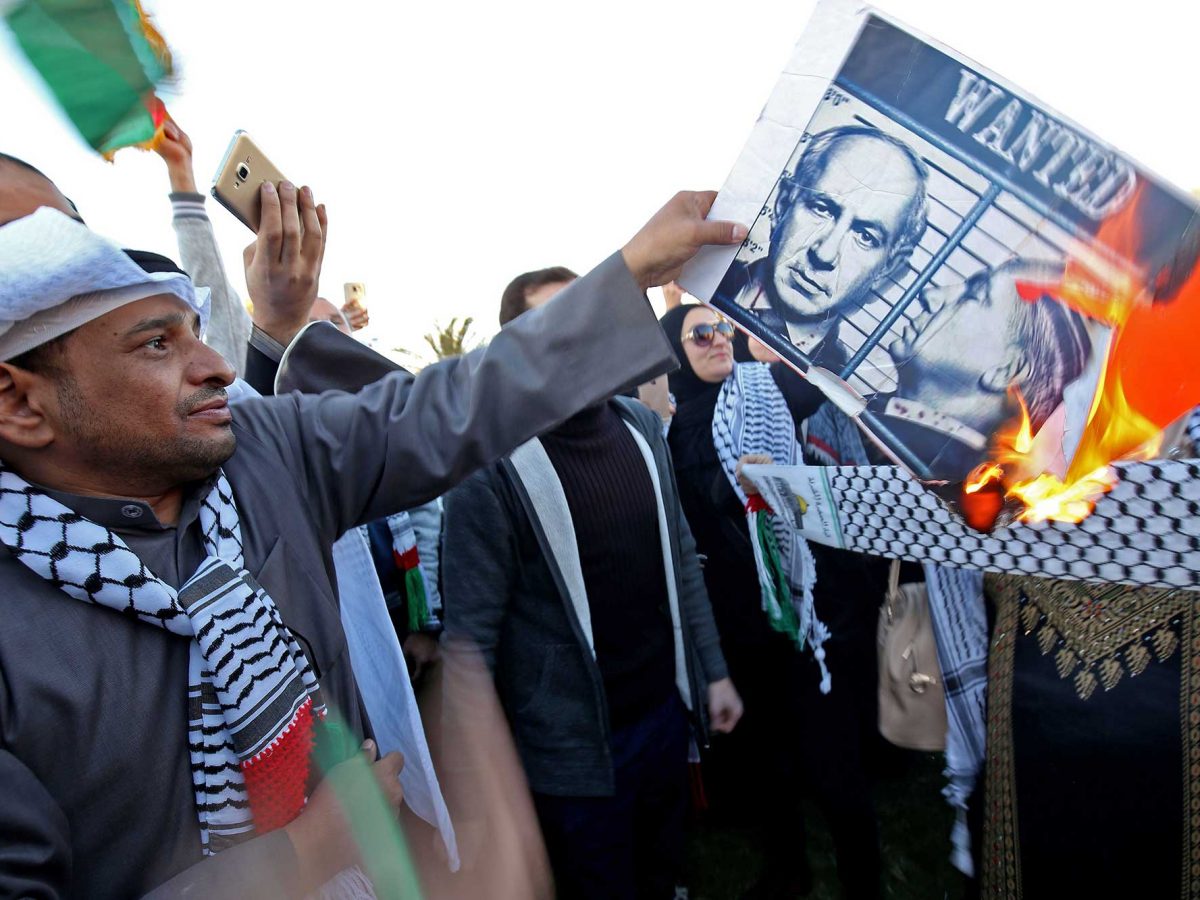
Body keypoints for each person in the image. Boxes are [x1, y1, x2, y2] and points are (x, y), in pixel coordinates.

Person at [0, 175, 746, 897]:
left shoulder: (263, 448)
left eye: (197, 330)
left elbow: (449, 406)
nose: (216, 367)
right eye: (157, 346)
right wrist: (306, 854)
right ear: (20, 404)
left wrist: (634, 269)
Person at [442, 268, 742, 900]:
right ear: (520, 350)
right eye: (559, 324)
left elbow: (681, 558)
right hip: (571, 758)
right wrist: (487, 789)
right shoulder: (493, 472)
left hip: (663, 715)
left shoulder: (640, 426)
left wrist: (711, 672)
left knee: (666, 873)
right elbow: (470, 644)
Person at [716, 125, 929, 361]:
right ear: (782, 204)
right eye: (822, 209)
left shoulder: (838, 378)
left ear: (888, 267)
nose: (825, 255)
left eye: (865, 237)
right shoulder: (698, 274)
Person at [880, 258, 1094, 483]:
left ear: (1007, 370)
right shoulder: (895, 435)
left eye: (974, 295)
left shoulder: (934, 477)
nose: (929, 294)